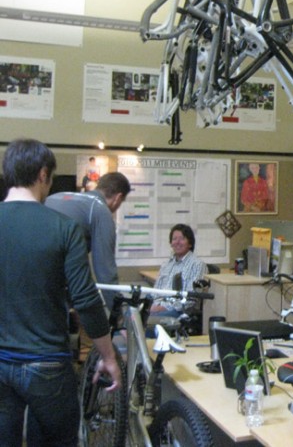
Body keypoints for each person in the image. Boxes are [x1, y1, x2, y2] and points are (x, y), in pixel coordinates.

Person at [0, 138, 121, 446]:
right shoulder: (64, 228)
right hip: (48, 364)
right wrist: (108, 355)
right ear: (43, 174)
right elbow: (85, 300)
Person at [45, 171, 131, 309]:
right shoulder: (100, 210)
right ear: (118, 198)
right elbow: (105, 271)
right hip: (54, 285)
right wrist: (117, 313)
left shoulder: (54, 197)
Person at [150, 224, 208, 317]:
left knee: (148, 320)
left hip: (179, 311)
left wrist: (162, 308)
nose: (177, 242)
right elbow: (155, 292)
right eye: (174, 239)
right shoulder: (166, 265)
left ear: (190, 243)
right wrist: (151, 306)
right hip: (158, 307)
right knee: (132, 312)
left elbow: (191, 299)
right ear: (171, 243)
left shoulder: (198, 265)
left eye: (182, 239)